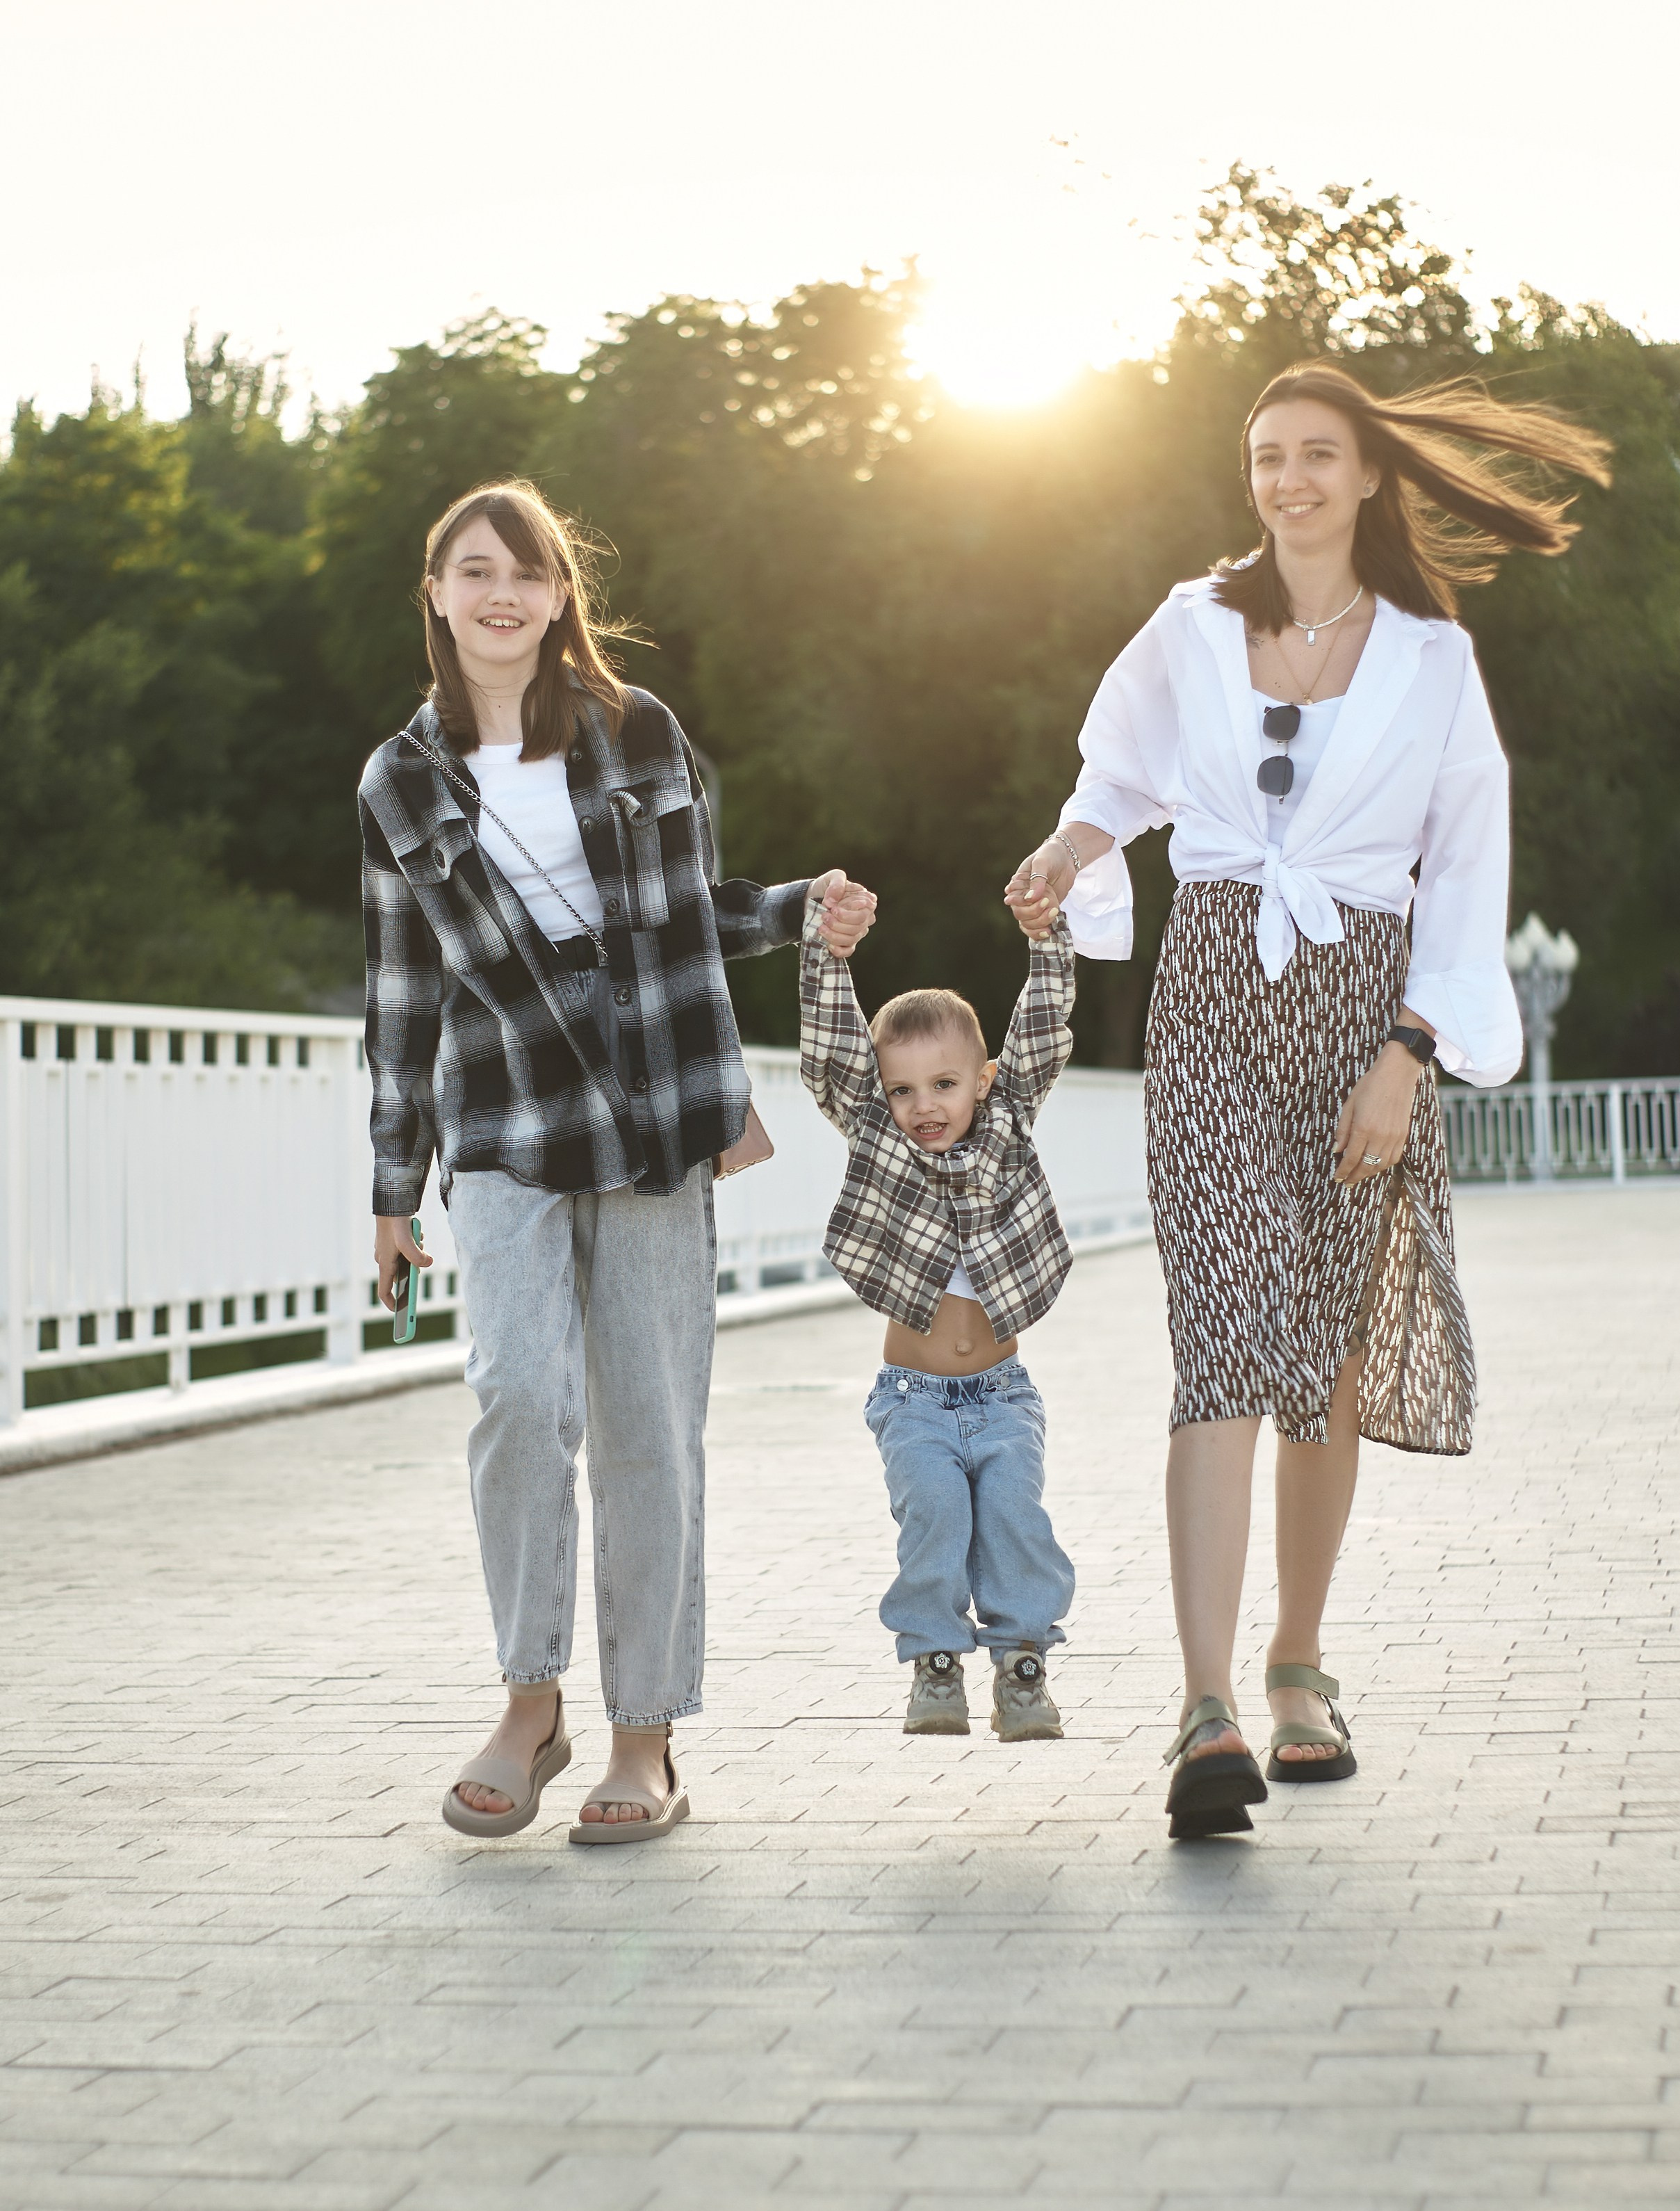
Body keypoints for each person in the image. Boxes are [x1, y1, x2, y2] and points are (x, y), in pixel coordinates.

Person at [1006, 364, 1610, 1840]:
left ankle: (1294, 1665)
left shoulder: (1426, 659)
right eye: (1264, 455)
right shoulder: (1191, 623)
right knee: (1217, 1328)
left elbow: (1464, 867)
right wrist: (1068, 845)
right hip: (1211, 978)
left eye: (1313, 456)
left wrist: (1410, 1053)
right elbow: (1121, 774)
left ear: (1364, 478)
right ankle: (1202, 1706)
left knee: (1321, 1349)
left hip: (1362, 1006)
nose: (1285, 480)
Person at [360, 479, 874, 1845]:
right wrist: (391, 1185)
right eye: (473, 571)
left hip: (653, 1105)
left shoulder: (635, 731)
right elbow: (400, 988)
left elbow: (681, 910)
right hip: (506, 1119)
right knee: (517, 1404)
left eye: (524, 572)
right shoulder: (399, 780)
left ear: (555, 594)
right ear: (436, 593)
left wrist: (794, 912)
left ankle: (643, 1740)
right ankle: (530, 1708)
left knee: (647, 1425)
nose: (500, 593)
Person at [800, 876, 1079, 1739]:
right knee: (934, 1516)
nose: (924, 1107)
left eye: (944, 1085)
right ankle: (932, 1661)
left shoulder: (1006, 1121)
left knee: (1013, 1522)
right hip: (914, 1401)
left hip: (1001, 1397)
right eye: (903, 1091)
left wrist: (1047, 937)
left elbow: (1041, 1027)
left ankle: (1022, 1664)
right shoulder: (881, 1136)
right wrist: (828, 957)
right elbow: (832, 1055)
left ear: (983, 1081)